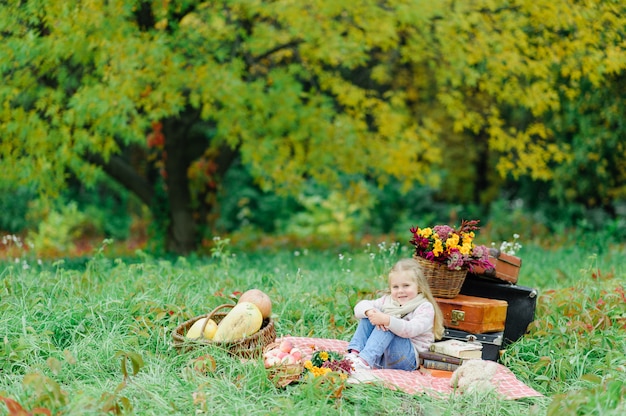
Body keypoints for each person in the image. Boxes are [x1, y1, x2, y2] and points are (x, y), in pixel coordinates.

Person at [346, 257, 444, 371]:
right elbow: (359, 307)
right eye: (395, 287)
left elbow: (410, 329)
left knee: (390, 321)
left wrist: (387, 320)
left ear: (419, 286)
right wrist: (370, 312)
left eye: (406, 285)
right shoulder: (388, 301)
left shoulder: (424, 307)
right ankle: (354, 354)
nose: (400, 291)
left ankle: (365, 361)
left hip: (406, 359)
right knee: (369, 314)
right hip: (382, 357)